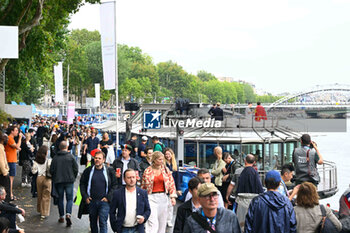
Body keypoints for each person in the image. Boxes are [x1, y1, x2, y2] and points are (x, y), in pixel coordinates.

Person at [80, 151, 117, 233]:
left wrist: (108, 198)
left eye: (99, 158)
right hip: (91, 201)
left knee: (103, 222)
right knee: (93, 223)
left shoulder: (109, 171)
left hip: (104, 202)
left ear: (103, 160)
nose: (97, 160)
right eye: (96, 158)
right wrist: (85, 197)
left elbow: (114, 185)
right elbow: (82, 184)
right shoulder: (88, 171)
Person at [141, 151, 177, 233]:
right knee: (152, 222)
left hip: (163, 197)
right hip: (151, 197)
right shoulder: (147, 171)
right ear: (154, 160)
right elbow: (143, 186)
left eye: (162, 159)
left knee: (162, 222)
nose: (162, 161)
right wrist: (141, 199)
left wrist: (173, 197)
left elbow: (171, 183)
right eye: (160, 159)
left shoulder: (166, 170)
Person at [110, 169, 151, 233]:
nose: (131, 180)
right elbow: (112, 211)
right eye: (129, 178)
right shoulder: (118, 193)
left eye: (133, 177)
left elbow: (148, 210)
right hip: (123, 229)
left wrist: (144, 218)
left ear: (136, 178)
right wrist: (115, 228)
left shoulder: (142, 193)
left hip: (138, 228)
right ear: (124, 179)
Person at [50, 141, 78, 227]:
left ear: (59, 147)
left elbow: (52, 170)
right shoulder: (71, 157)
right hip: (69, 180)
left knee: (60, 199)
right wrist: (73, 177)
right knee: (69, 199)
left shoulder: (55, 158)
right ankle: (68, 214)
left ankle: (61, 216)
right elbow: (76, 169)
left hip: (59, 181)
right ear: (67, 147)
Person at [235, 154, 263, 229]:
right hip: (253, 203)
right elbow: (260, 189)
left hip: (242, 203)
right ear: (254, 162)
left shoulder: (241, 172)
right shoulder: (255, 173)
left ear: (245, 161)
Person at [31, 145, 51, 220]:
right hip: (47, 178)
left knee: (40, 195)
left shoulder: (36, 161)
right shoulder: (48, 160)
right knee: (46, 196)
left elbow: (34, 171)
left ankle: (40, 210)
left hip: (39, 178)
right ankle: (44, 212)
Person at [163, 148, 181, 227]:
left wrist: (178, 188)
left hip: (172, 187)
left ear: (172, 155)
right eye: (166, 154)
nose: (167, 156)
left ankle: (169, 220)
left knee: (171, 205)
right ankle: (163, 219)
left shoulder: (174, 165)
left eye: (169, 154)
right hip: (164, 187)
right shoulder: (163, 164)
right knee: (164, 204)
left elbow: (177, 177)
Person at [5, 126, 22, 201]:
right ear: (11, 131)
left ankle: (10, 194)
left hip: (11, 160)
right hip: (10, 160)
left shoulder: (10, 139)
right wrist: (20, 138)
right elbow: (17, 146)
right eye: (16, 130)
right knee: (10, 179)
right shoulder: (10, 139)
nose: (17, 132)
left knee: (10, 178)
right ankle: (9, 194)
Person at [0, 132, 10, 203]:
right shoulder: (0, 148)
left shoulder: (1, 147)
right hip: (3, 173)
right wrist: (5, 172)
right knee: (6, 191)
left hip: (3, 172)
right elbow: (1, 161)